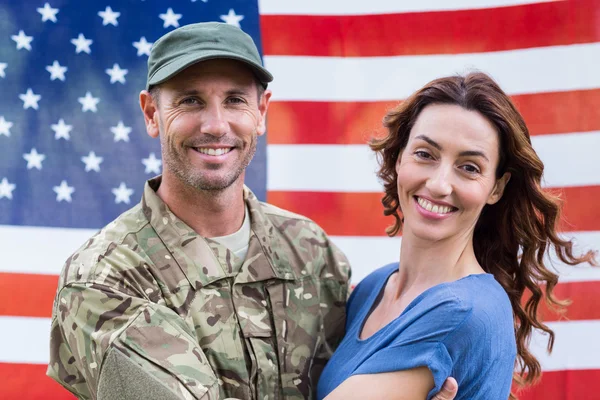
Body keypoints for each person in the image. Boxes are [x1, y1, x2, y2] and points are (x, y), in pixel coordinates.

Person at [46, 22, 459, 400]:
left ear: (260, 112)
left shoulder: (312, 254)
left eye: (235, 100)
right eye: (190, 101)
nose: (215, 124)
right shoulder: (104, 279)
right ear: (152, 114)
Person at [316, 72, 598, 400]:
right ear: (398, 158)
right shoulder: (372, 288)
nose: (439, 184)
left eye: (469, 167)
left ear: (496, 187)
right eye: (425, 154)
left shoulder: (462, 312)